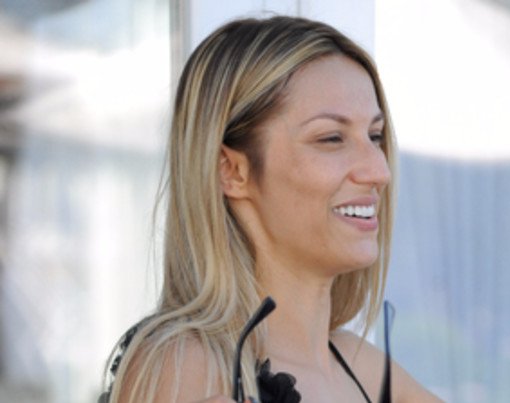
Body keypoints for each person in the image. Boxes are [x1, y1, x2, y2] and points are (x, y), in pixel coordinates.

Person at [100, 15, 452, 403]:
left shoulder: (361, 369)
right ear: (231, 170)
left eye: (375, 136)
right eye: (331, 138)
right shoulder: (186, 367)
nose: (379, 171)